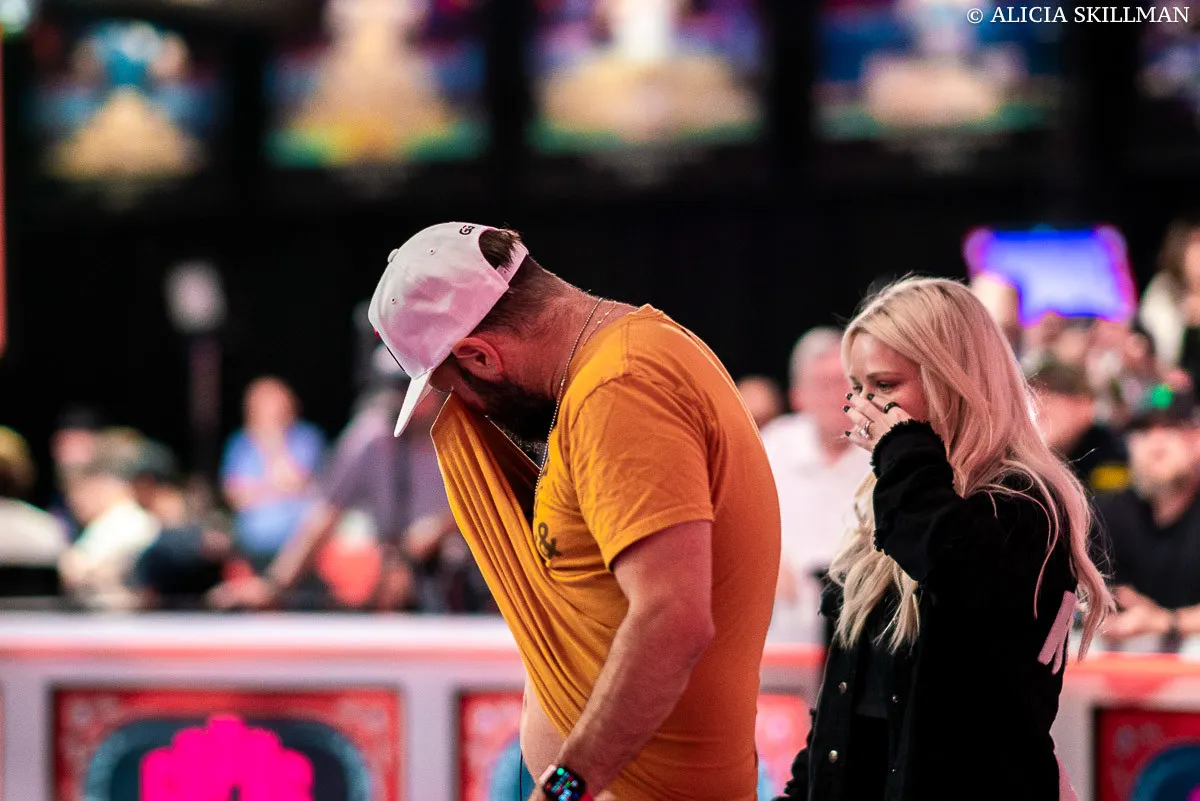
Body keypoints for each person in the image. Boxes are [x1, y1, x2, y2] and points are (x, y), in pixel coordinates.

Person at [369, 222, 779, 801]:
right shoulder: (638, 351)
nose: (467, 410)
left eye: (453, 388)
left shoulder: (619, 387)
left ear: (479, 356)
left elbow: (673, 619)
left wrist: (564, 788)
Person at [775, 277, 1112, 801]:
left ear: (952, 381)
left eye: (885, 386)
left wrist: (904, 450)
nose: (865, 409)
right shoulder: (891, 503)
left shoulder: (1024, 502)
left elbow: (951, 568)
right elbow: (843, 709)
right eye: (858, 389)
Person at [208, 349, 490, 613]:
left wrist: (440, 529)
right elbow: (325, 515)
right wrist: (275, 585)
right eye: (394, 388)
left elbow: (492, 500)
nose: (402, 400)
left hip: (478, 575)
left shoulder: (470, 426)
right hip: (403, 577)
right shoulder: (372, 436)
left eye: (410, 386)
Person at [761, 327, 872, 643]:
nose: (839, 396)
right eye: (825, 385)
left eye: (847, 383)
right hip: (785, 634)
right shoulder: (772, 447)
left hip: (863, 625)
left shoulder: (883, 451)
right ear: (798, 396)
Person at [1092, 384, 1200, 648]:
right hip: (1131, 655)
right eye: (1142, 431)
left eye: (1172, 429)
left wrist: (1166, 621)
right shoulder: (1109, 513)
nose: (1155, 444)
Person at [221, 377, 325, 570]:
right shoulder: (239, 443)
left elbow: (295, 481)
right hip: (253, 545)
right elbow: (236, 496)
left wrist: (274, 441)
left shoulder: (306, 437)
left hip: (300, 546)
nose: (270, 411)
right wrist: (278, 488)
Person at [1027, 358, 1129, 495]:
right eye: (1032, 393)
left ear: (1085, 405)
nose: (1039, 403)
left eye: (1052, 392)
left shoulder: (1113, 455)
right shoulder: (1019, 456)